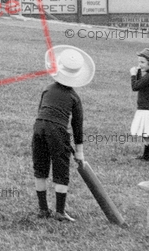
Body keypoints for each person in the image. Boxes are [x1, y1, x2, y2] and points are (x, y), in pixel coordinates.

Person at [33, 45, 94, 222]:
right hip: (57, 131)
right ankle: (60, 211)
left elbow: (41, 112)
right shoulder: (74, 97)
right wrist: (79, 152)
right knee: (61, 169)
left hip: (38, 127)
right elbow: (77, 125)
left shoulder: (47, 88)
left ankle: (43, 209)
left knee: (40, 168)